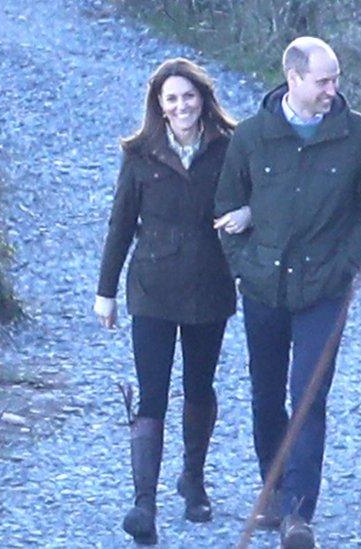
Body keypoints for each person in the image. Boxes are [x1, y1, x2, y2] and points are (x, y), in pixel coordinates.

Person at [214, 36, 361, 548]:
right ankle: (272, 486)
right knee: (266, 394)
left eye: (336, 79)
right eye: (323, 81)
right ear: (293, 79)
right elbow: (226, 207)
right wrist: (244, 268)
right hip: (264, 287)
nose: (333, 90)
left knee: (309, 397)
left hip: (324, 291)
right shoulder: (251, 137)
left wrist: (347, 266)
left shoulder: (356, 136)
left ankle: (298, 512)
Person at [94, 57, 238, 545]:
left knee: (200, 387)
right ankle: (144, 504)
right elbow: (120, 224)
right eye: (171, 98)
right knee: (151, 392)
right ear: (159, 105)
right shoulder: (140, 155)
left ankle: (193, 481)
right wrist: (105, 292)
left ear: (203, 99)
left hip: (209, 286)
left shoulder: (228, 148)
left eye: (189, 96)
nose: (181, 105)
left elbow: (256, 201)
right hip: (151, 289)